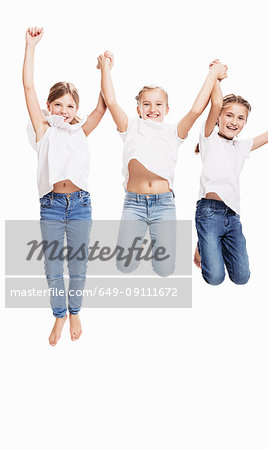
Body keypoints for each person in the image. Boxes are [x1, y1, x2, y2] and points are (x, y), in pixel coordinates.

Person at [98, 51, 227, 276]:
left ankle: (155, 240)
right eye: (146, 104)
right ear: (138, 109)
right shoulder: (130, 127)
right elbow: (110, 101)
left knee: (165, 270)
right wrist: (106, 68)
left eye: (158, 104)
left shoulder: (174, 132)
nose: (152, 109)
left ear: (167, 110)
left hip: (163, 204)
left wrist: (213, 73)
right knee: (124, 266)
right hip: (134, 203)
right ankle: (136, 240)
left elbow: (197, 109)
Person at [23, 27, 108, 345]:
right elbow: (28, 87)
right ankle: (59, 315)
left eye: (69, 106)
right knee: (53, 266)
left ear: (75, 110)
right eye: (58, 105)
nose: (63, 111)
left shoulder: (80, 131)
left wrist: (105, 71)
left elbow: (102, 108)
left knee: (79, 265)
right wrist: (30, 46)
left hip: (81, 203)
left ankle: (75, 311)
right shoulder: (43, 130)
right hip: (53, 205)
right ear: (49, 105)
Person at [194, 61, 268, 285]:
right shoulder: (208, 138)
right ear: (218, 119)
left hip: (233, 217)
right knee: (214, 278)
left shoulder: (240, 147)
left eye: (240, 118)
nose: (234, 122)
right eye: (229, 116)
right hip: (209, 212)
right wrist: (216, 78)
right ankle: (205, 242)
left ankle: (206, 244)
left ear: (245, 122)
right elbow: (215, 102)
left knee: (242, 277)